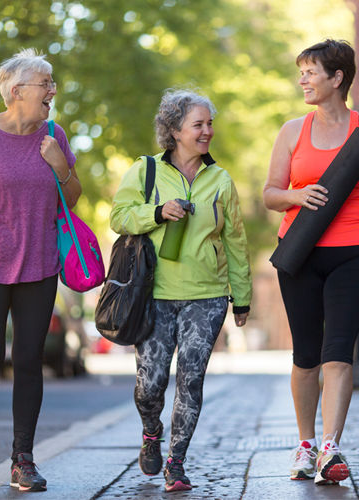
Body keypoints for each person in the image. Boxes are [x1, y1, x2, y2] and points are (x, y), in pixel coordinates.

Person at [110, 89, 252, 492]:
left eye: (210, 124)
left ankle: (176, 462)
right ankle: (151, 430)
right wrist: (156, 212)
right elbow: (118, 217)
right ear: (174, 130)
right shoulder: (146, 171)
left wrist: (241, 296)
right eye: (198, 124)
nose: (207, 131)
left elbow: (237, 242)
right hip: (154, 294)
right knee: (150, 383)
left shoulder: (220, 179)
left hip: (207, 296)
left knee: (191, 380)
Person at [0, 48, 81, 491]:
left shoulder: (54, 134)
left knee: (29, 360)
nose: (52, 90)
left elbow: (71, 198)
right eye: (45, 83)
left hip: (38, 261)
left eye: (52, 83)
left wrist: (60, 165)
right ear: (16, 91)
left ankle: (23, 459)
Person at [263, 39, 358, 485]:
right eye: (300, 72)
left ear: (337, 78)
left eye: (310, 71)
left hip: (352, 255)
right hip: (299, 254)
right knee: (306, 357)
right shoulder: (292, 131)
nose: (302, 79)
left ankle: (330, 447)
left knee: (338, 351)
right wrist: (296, 196)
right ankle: (305, 444)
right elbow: (269, 194)